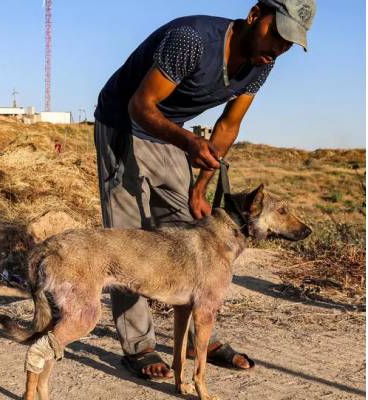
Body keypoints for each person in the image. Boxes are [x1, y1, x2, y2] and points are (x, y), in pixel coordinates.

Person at [93, 0, 315, 380]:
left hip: (172, 134)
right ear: (254, 14)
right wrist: (190, 144)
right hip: (124, 123)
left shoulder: (262, 65)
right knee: (126, 244)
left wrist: (200, 187)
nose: (277, 49)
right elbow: (141, 105)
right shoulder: (192, 40)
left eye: (288, 44)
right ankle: (140, 345)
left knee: (187, 237)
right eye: (276, 34)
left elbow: (227, 127)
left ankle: (200, 337)